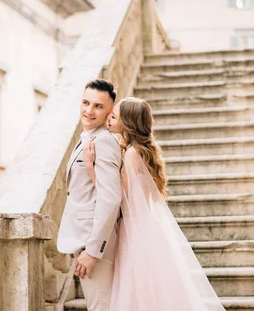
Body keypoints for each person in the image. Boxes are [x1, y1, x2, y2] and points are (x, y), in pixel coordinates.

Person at [84, 97, 225, 311]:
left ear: (128, 123)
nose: (109, 118)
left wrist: (91, 169)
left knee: (140, 293)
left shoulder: (132, 155)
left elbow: (117, 198)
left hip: (134, 231)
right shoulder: (139, 152)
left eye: (115, 116)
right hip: (146, 227)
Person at [56, 79, 122, 311]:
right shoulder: (88, 137)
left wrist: (93, 251)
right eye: (85, 103)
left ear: (109, 113)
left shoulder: (104, 141)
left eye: (98, 106)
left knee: (100, 307)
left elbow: (110, 198)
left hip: (95, 245)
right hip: (84, 239)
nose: (89, 111)